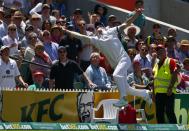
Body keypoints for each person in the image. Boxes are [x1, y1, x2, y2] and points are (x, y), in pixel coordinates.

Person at [64, 8, 152, 107]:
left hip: (124, 59)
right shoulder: (95, 40)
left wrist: (136, 14)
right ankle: (145, 94)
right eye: (97, 28)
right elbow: (81, 36)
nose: (99, 28)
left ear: (105, 27)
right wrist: (67, 31)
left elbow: (126, 23)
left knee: (116, 76)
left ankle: (123, 99)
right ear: (95, 31)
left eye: (100, 27)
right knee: (127, 88)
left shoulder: (112, 31)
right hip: (117, 65)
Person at [153, 44, 179, 124]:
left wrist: (170, 88)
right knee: (159, 113)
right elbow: (155, 79)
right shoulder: (156, 64)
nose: (159, 52)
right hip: (158, 94)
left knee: (169, 112)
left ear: (165, 51)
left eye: (161, 50)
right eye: (158, 51)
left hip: (168, 93)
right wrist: (154, 93)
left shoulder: (170, 61)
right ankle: (161, 129)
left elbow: (175, 73)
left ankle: (175, 129)